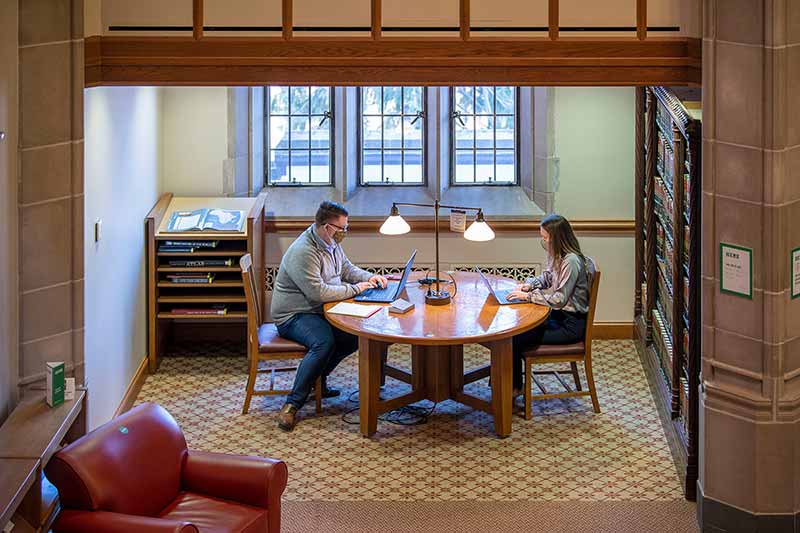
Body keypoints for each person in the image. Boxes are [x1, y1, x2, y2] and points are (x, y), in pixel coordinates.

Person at [270, 201, 388, 431]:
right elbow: (319, 292)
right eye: (341, 228)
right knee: (323, 342)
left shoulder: (330, 242)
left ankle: (319, 379)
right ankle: (292, 404)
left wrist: (371, 278)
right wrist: (358, 289)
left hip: (317, 310)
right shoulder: (304, 251)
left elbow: (347, 270)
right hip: (294, 314)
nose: (344, 232)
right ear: (326, 226)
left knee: (354, 337)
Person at [505, 214, 595, 392]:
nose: (544, 242)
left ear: (557, 238)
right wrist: (529, 285)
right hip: (558, 317)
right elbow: (547, 278)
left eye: (546, 238)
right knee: (514, 330)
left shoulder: (571, 261)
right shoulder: (558, 256)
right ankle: (505, 387)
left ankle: (512, 390)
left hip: (570, 324)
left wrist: (529, 297)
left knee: (513, 339)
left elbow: (559, 300)